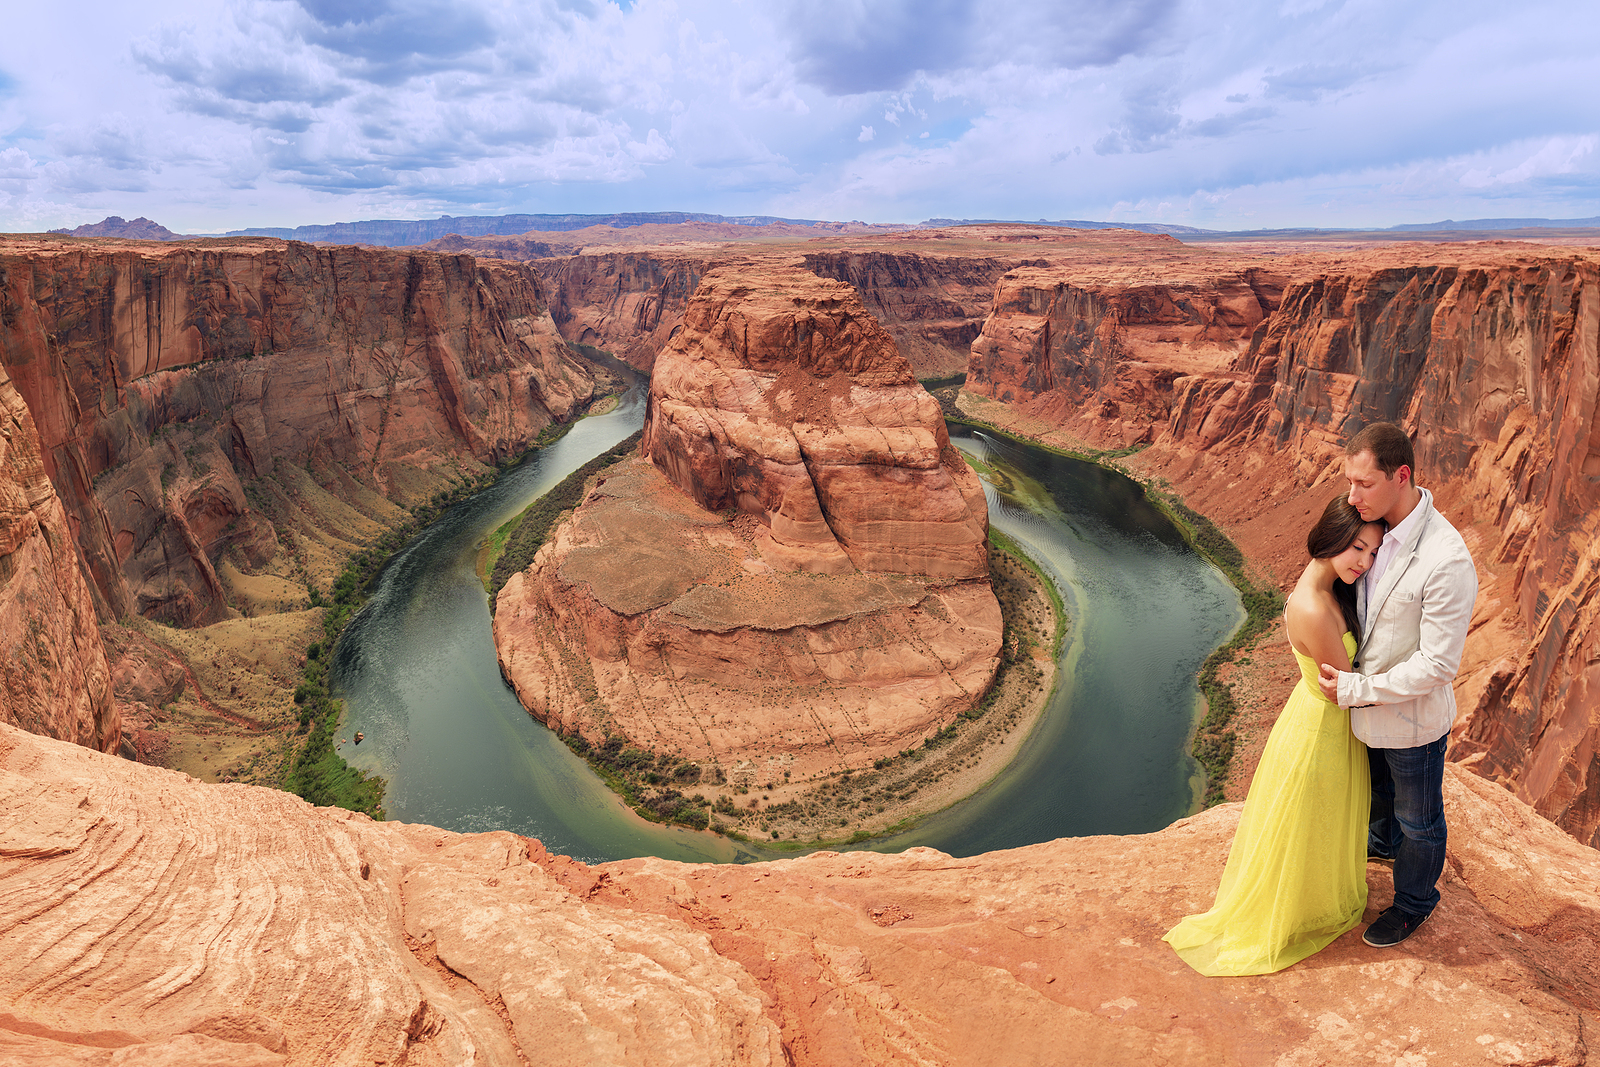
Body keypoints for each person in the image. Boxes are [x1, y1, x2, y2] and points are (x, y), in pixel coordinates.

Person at [1164, 497, 1384, 975]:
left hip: (1324, 725)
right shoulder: (1313, 608)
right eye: (1358, 549)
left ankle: (1313, 896)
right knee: (1309, 821)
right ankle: (1298, 909)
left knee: (1317, 821)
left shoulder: (1328, 590)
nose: (1365, 562)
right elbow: (1345, 689)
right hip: (1321, 732)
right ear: (1333, 538)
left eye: (1373, 553)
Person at [1317, 422, 1477, 949]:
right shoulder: (1372, 531)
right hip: (1366, 720)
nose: (1352, 494)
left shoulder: (1445, 558)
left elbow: (1437, 665)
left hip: (1411, 726)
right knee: (1379, 804)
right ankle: (1383, 852)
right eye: (1349, 481)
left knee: (1419, 820)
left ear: (1400, 475)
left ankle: (1414, 902)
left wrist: (1355, 690)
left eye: (1364, 483)